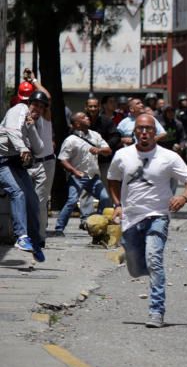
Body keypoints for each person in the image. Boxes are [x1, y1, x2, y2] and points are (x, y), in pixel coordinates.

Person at [106, 114, 187, 327]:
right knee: (136, 267)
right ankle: (143, 265)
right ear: (134, 131)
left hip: (158, 215)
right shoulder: (122, 155)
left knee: (154, 260)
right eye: (140, 129)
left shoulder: (169, 157)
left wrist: (183, 197)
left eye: (148, 129)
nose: (144, 133)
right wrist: (118, 204)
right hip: (130, 217)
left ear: (155, 133)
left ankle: (156, 311)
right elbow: (112, 179)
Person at [0, 91, 46, 260]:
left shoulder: (33, 122)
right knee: (17, 192)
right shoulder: (18, 109)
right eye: (36, 105)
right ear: (29, 103)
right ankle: (21, 237)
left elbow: (40, 148)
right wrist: (23, 148)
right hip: (1, 160)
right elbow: (12, 131)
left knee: (33, 200)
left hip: (14, 162)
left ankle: (33, 242)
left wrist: (32, 127)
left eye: (41, 107)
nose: (38, 109)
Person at [54, 112, 112, 235]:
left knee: (105, 198)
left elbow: (108, 150)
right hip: (77, 177)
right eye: (84, 117)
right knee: (72, 201)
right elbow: (62, 159)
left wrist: (99, 150)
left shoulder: (95, 135)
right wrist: (75, 171)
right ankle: (59, 228)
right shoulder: (70, 140)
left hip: (93, 176)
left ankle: (98, 225)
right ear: (77, 123)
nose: (88, 118)